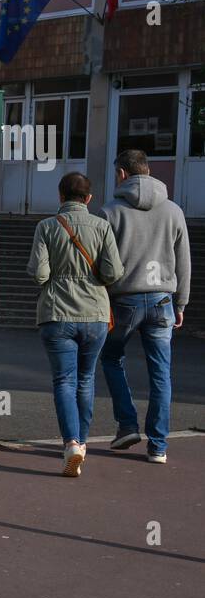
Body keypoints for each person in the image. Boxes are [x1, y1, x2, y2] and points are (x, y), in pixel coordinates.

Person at [27, 172, 124, 477]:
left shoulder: (46, 227)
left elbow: (39, 274)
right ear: (89, 198)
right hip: (95, 314)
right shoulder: (103, 226)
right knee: (86, 379)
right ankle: (81, 443)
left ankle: (70, 443)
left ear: (60, 196)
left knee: (64, 380)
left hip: (57, 313)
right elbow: (113, 272)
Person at [99, 149, 191, 464]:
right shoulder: (174, 211)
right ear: (148, 171)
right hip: (164, 300)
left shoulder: (110, 212)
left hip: (124, 300)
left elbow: (103, 263)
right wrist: (181, 302)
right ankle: (159, 446)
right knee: (161, 373)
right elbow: (184, 262)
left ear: (123, 174)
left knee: (111, 357)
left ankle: (127, 423)